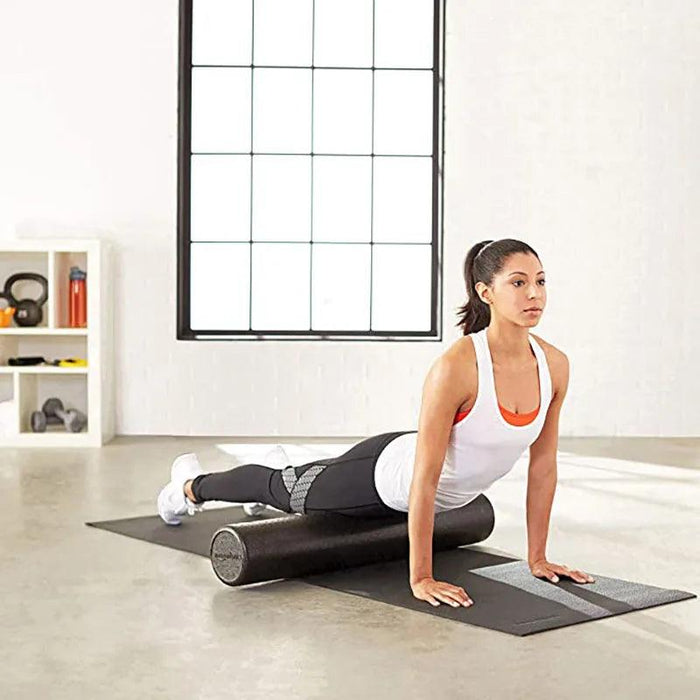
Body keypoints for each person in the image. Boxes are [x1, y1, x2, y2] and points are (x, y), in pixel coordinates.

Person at [157, 238, 595, 608]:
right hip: (385, 479)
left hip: (415, 467)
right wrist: (421, 577)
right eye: (517, 283)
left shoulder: (554, 365)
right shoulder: (458, 366)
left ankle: (288, 470)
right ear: (486, 293)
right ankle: (189, 486)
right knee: (283, 490)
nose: (533, 294)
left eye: (539, 282)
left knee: (296, 482)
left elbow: (543, 467)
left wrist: (537, 558)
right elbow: (424, 478)